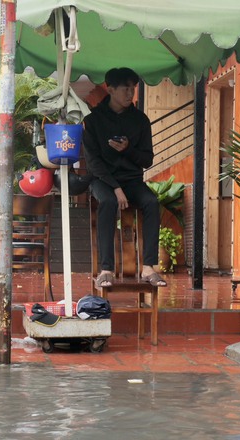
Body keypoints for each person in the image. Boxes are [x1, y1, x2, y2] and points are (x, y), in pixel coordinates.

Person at [83, 67, 166, 287]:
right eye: (125, 89)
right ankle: (106, 269)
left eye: (133, 88)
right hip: (103, 180)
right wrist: (115, 187)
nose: (131, 94)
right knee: (108, 201)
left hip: (132, 180)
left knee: (151, 202)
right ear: (110, 89)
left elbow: (147, 160)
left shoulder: (141, 120)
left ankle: (148, 268)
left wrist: (128, 149)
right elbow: (93, 163)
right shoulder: (93, 121)